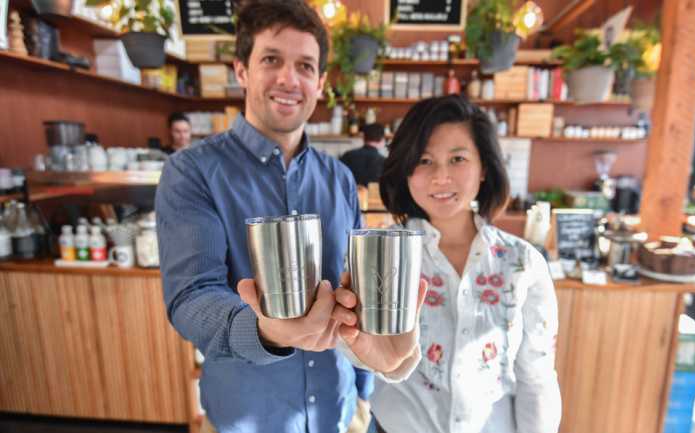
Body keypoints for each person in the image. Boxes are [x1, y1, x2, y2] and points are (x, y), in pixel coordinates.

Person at [155, 1, 424, 432]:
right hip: (248, 420)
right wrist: (266, 332)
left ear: (319, 82)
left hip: (340, 414)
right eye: (271, 60)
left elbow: (352, 293)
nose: (288, 78)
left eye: (304, 66)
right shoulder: (192, 172)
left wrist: (365, 392)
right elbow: (191, 299)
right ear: (242, 70)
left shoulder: (339, 178)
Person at [353, 95, 562, 432]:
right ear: (405, 169)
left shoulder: (523, 264)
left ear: (484, 169)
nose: (441, 177)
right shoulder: (380, 254)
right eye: (424, 160)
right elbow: (355, 351)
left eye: (458, 159)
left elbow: (536, 377)